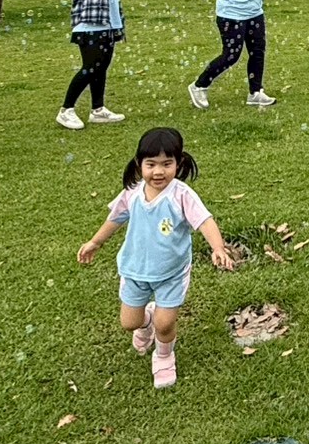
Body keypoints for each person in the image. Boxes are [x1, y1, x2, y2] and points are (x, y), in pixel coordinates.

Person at [76, 127, 235, 388]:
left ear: (178, 164)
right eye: (151, 164)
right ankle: (147, 320)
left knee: (165, 324)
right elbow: (115, 218)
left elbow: (205, 221)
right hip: (134, 270)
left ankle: (163, 356)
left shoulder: (181, 195)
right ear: (139, 164)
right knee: (130, 323)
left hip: (171, 272)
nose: (158, 172)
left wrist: (218, 247)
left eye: (166, 164)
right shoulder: (132, 193)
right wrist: (96, 241)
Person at [57, 0, 135, 130]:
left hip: (108, 23)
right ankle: (66, 110)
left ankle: (98, 109)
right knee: (90, 68)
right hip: (89, 24)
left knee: (101, 68)